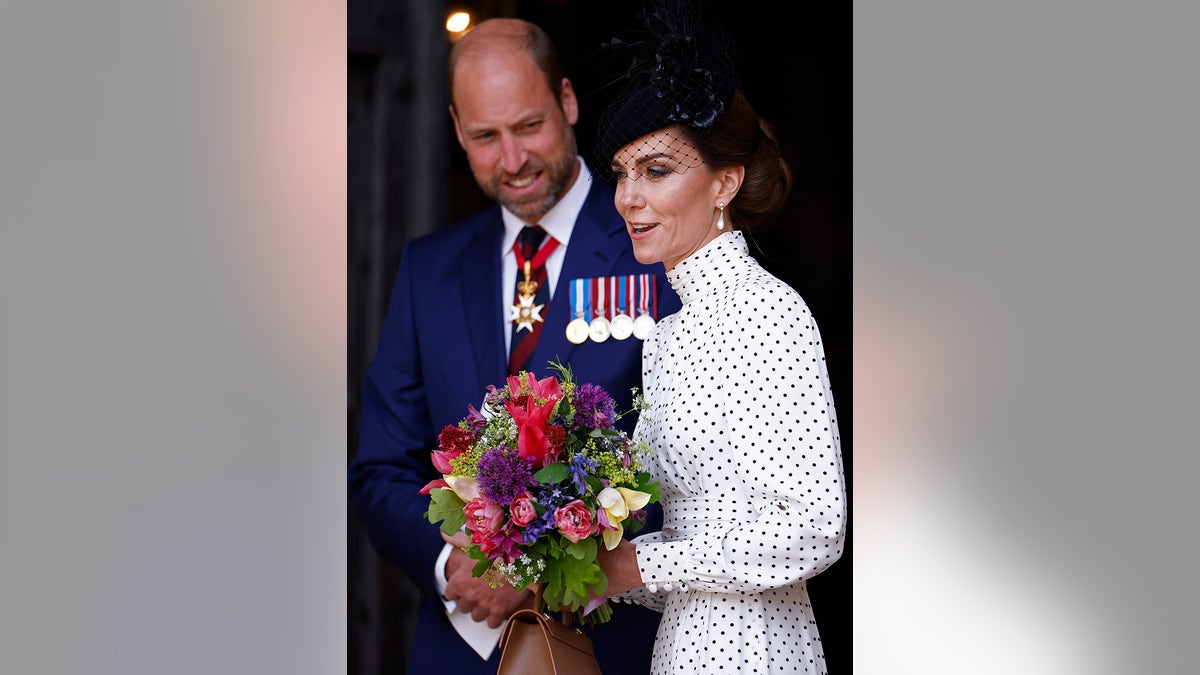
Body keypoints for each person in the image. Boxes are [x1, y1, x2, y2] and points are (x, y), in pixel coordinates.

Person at [347, 17, 680, 675]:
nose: (513, 159)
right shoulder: (428, 269)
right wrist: (454, 561)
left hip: (616, 649)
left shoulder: (657, 246)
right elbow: (381, 468)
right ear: (454, 128)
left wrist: (536, 566)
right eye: (484, 137)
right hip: (458, 652)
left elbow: (698, 473)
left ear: (567, 100)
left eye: (529, 126)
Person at [590, 3, 847, 673]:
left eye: (656, 170)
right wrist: (578, 568)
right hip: (683, 648)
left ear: (724, 182)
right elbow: (689, 549)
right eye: (621, 172)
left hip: (760, 650)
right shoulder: (667, 333)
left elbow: (815, 526)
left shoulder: (768, 311)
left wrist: (639, 559)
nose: (627, 196)